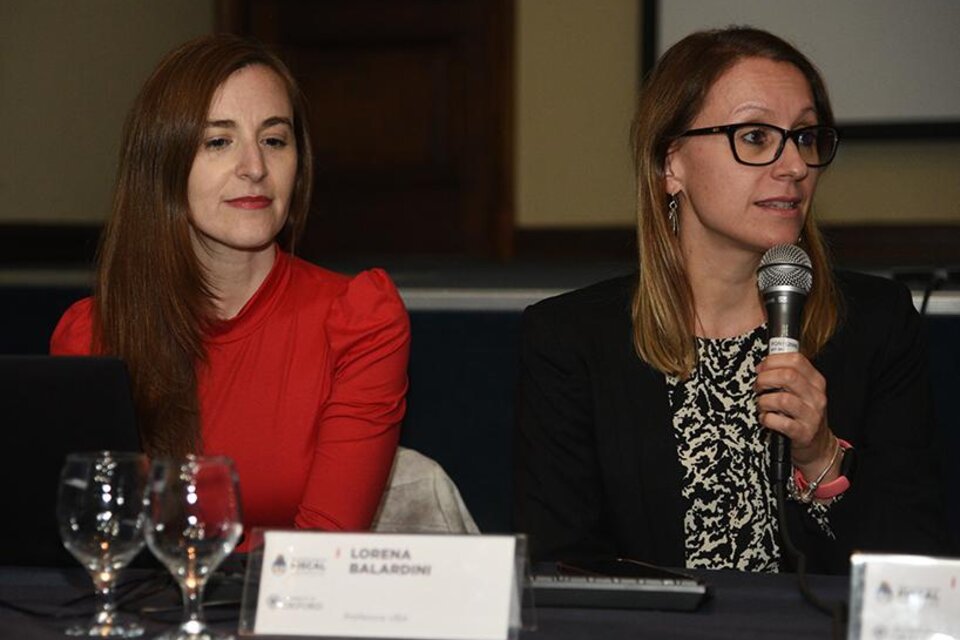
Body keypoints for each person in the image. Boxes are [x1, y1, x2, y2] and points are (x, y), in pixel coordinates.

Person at [515, 27, 950, 574]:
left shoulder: (875, 323)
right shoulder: (571, 339)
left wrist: (820, 456)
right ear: (671, 163)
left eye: (806, 137)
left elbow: (917, 573)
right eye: (754, 137)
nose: (793, 166)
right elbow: (561, 573)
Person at [51, 34, 411, 535]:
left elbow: (323, 552)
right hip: (152, 612)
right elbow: (97, 536)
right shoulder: (92, 335)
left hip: (288, 611)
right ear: (162, 167)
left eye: (274, 140)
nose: (255, 168)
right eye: (219, 141)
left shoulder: (358, 320)